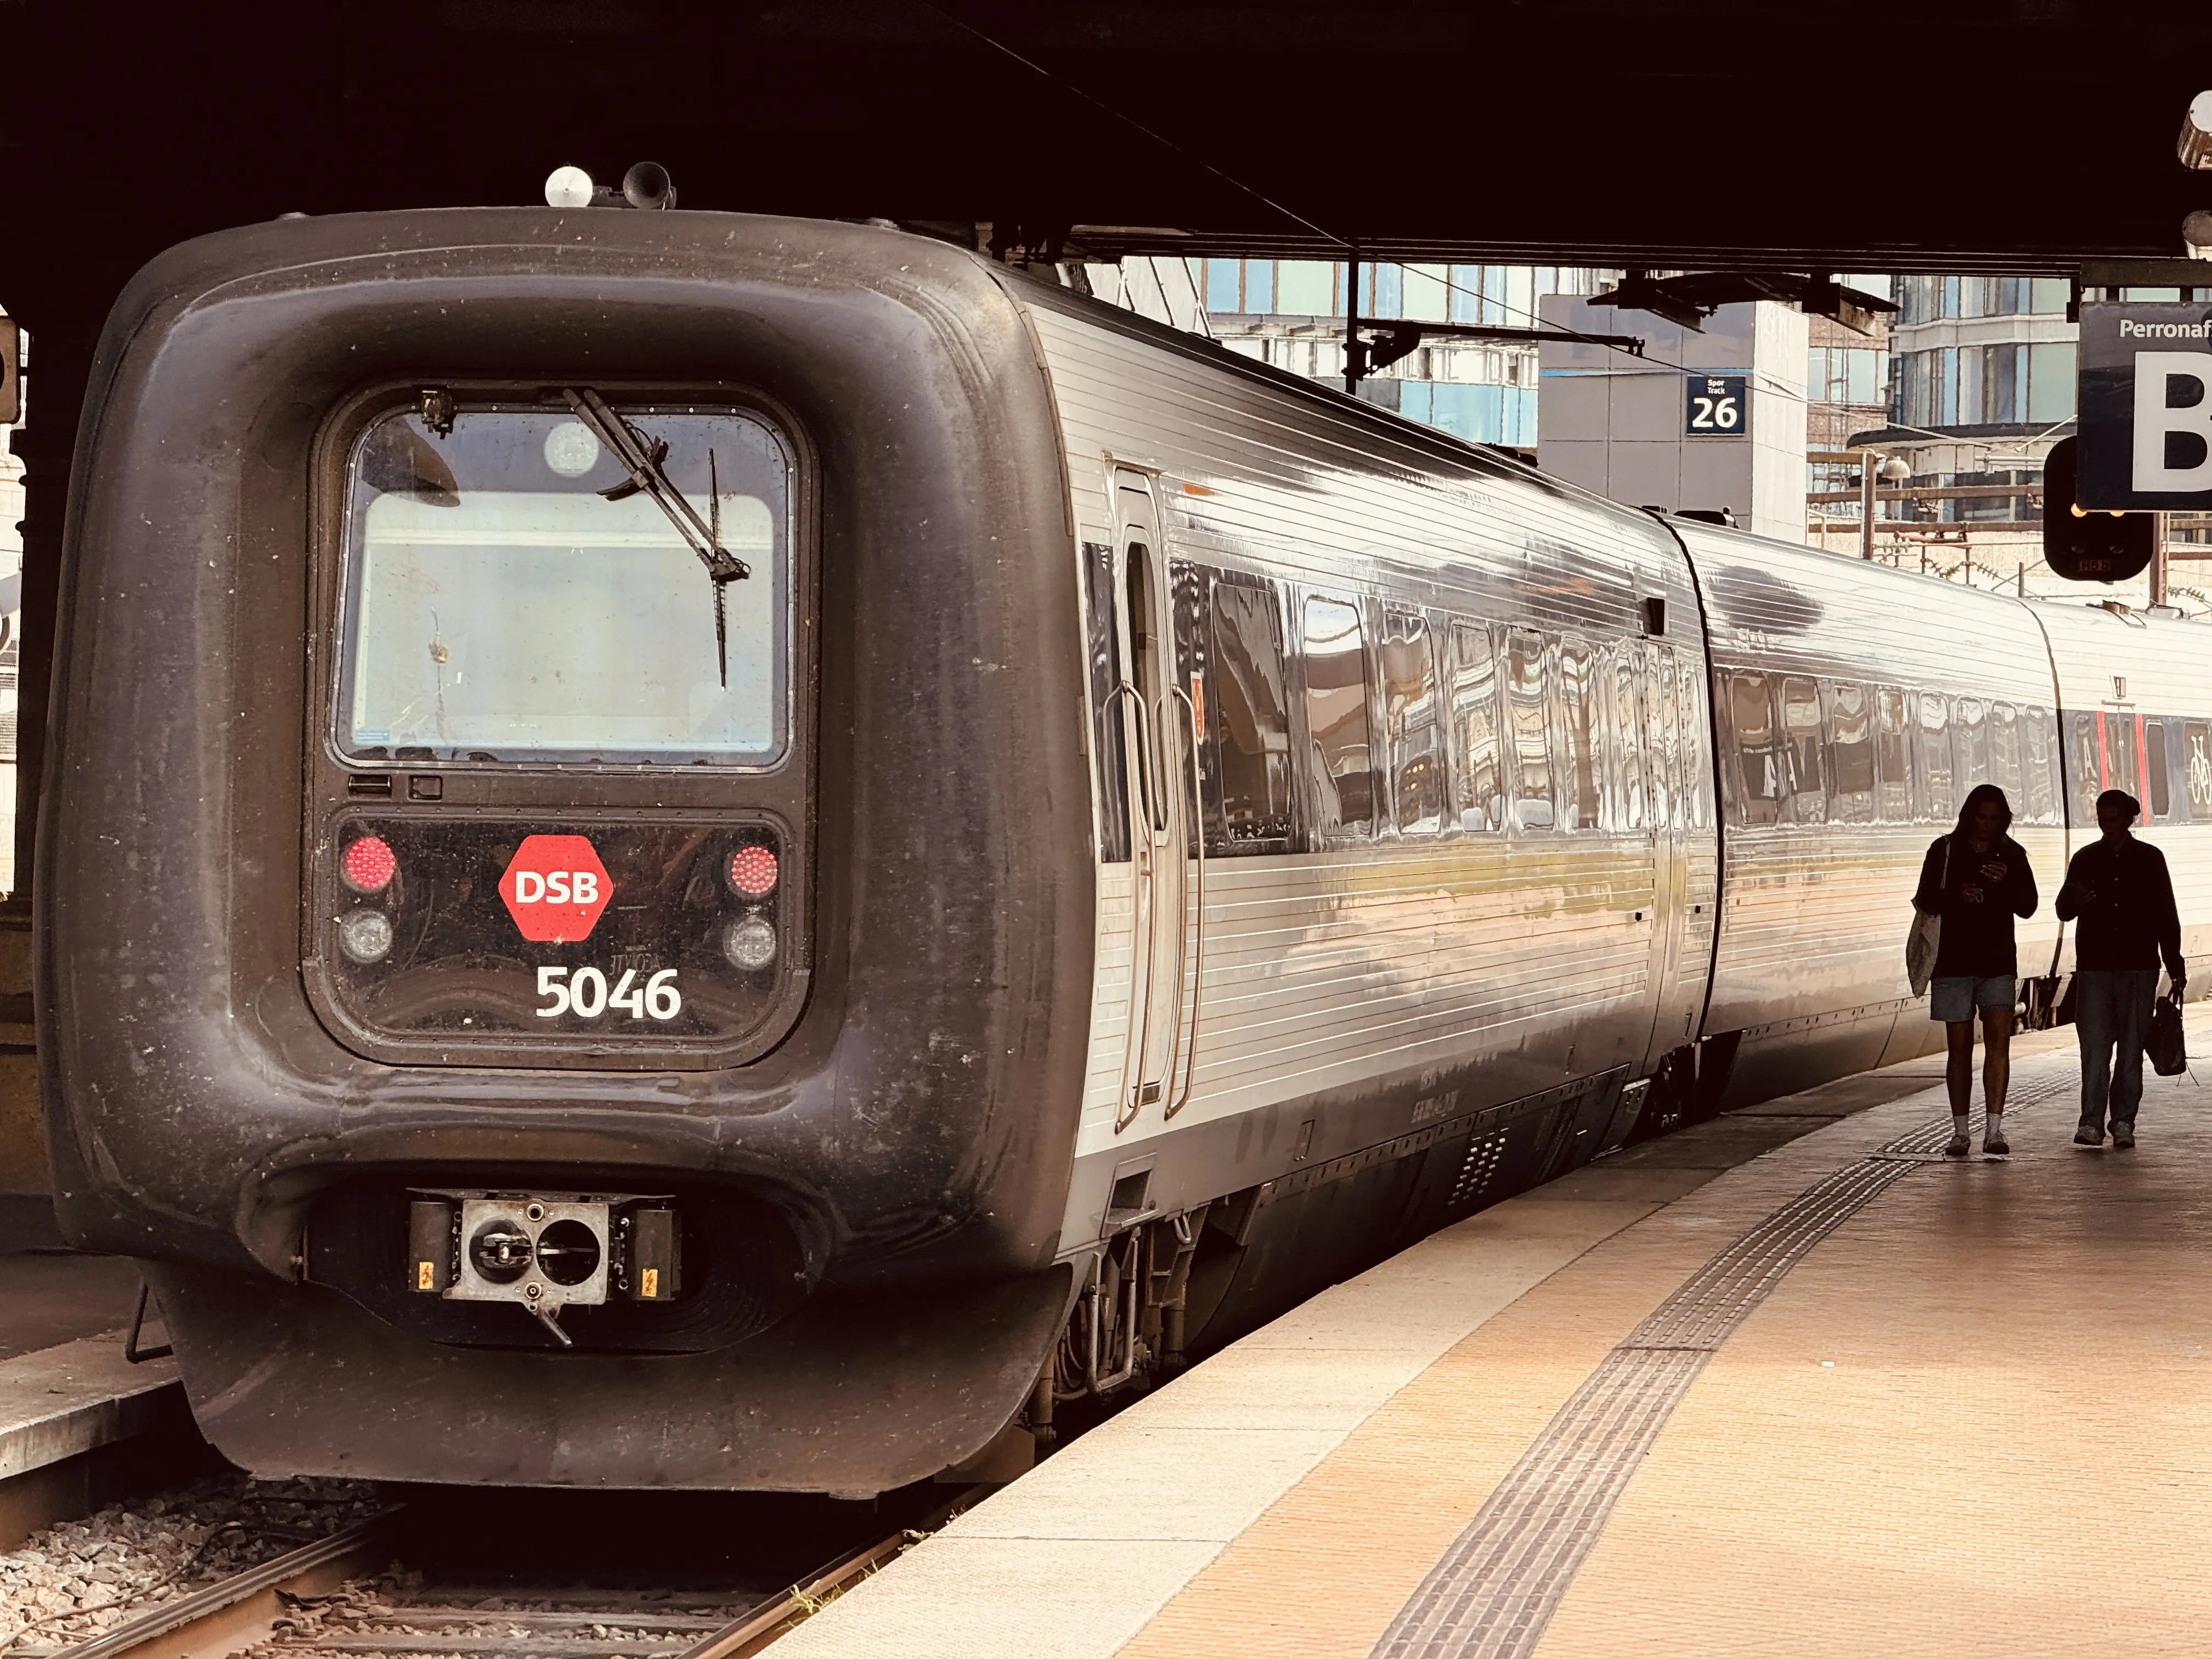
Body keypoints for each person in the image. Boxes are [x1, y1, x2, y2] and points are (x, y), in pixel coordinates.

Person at [1912, 783, 2039, 1157]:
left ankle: (1994, 1130)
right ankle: (1961, 1131)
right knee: (1960, 1049)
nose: (1987, 825)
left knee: (1999, 1044)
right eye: (1981, 817)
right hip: (1952, 964)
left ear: (2004, 820)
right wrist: (1957, 895)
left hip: (1998, 962)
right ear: (1970, 815)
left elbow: (2028, 905)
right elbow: (1925, 898)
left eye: (1995, 818)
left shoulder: (2013, 855)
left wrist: (2007, 882)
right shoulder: (1945, 851)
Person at [2055, 788, 2185, 1149]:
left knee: (2130, 1050)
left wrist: (2174, 963)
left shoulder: (2149, 859)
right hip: (2095, 968)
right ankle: (2091, 1122)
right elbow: (2063, 910)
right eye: (2101, 819)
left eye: (2113, 819)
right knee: (2095, 1048)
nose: (2107, 826)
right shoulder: (2085, 859)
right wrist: (2074, 898)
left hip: (2139, 966)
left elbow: (2165, 913)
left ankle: (2123, 1120)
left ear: (2129, 820)